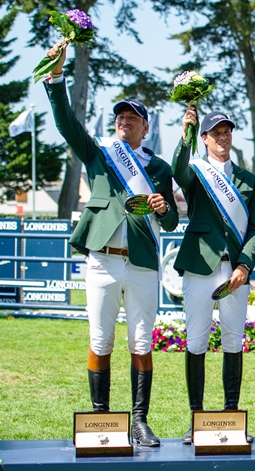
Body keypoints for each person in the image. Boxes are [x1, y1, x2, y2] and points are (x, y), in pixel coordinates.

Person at [44, 43, 178, 447]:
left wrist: (161, 207)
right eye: (120, 116)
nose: (124, 121)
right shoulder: (100, 154)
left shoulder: (159, 167)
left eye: (132, 118)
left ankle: (139, 421)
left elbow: (171, 221)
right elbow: (67, 124)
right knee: (100, 337)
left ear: (145, 127)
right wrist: (56, 79)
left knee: (141, 339)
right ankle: (100, 420)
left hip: (140, 263)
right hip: (103, 257)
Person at [173, 108, 255, 444]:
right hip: (200, 266)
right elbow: (177, 169)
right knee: (196, 340)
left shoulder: (249, 180)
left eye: (228, 131)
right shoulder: (196, 172)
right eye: (216, 132)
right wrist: (187, 130)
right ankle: (196, 417)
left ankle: (230, 415)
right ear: (205, 138)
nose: (223, 137)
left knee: (233, 341)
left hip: (234, 271)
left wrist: (244, 265)